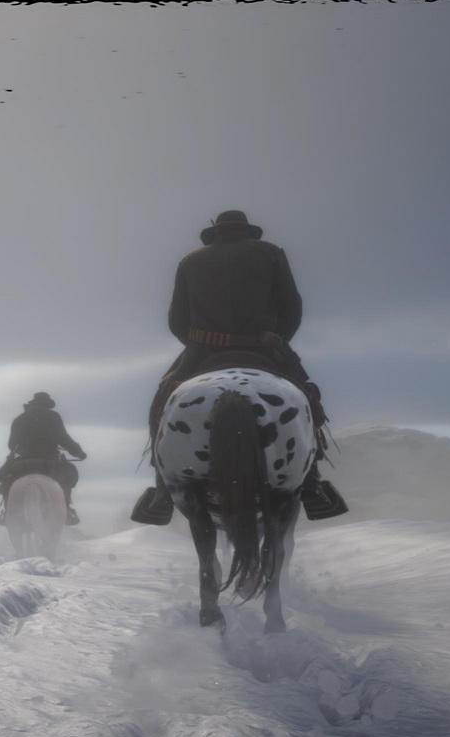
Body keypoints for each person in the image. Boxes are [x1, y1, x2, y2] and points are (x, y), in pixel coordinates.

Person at [131, 209, 347, 525]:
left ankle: (162, 492)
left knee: (163, 402)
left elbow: (177, 320)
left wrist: (199, 340)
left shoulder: (190, 261)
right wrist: (277, 340)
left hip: (203, 350)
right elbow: (292, 306)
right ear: (246, 230)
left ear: (216, 232)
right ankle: (313, 486)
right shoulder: (271, 253)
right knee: (307, 397)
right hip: (263, 347)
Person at [0, 392, 85, 525]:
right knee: (67, 477)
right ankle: (66, 510)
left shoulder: (19, 419)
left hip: (23, 464)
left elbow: (11, 445)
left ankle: (7, 512)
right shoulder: (53, 417)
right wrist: (79, 452)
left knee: (7, 482)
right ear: (47, 405)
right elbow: (64, 439)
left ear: (32, 404)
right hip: (49, 464)